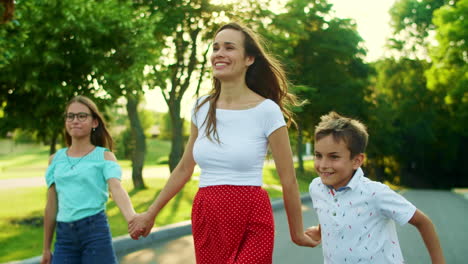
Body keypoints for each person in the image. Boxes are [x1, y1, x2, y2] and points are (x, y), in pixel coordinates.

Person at [128, 22, 319, 263]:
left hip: (252, 215)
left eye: (229, 48)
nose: (219, 53)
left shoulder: (267, 111)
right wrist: (150, 213)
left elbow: (288, 180)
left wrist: (296, 233)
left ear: (249, 58)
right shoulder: (200, 108)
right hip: (208, 215)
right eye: (216, 47)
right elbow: (185, 168)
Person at [305, 111, 445, 263]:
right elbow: (335, 212)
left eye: (334, 157)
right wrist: (320, 231)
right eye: (318, 155)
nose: (324, 165)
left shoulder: (375, 194)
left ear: (357, 161)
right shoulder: (316, 187)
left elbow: (423, 223)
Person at [41, 95, 138, 264]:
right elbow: (51, 205)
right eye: (70, 116)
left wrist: (132, 218)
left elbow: (116, 189)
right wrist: (46, 248)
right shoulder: (55, 160)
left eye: (82, 116)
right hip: (64, 236)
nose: (75, 121)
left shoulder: (105, 157)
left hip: (95, 231)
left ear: (94, 122)